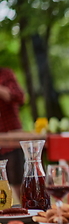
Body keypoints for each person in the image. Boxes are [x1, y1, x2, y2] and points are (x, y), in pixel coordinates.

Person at [0, 67, 25, 200]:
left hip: (11, 140)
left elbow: (20, 97)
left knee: (18, 184)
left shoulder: (5, 74)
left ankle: (29, 215)